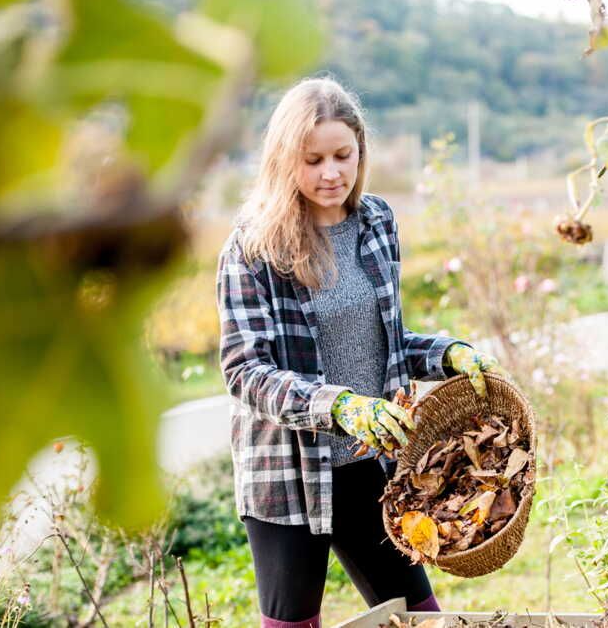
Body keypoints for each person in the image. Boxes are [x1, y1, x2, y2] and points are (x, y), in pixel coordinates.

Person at [215, 76, 506, 628]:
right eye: (313, 159)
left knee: (420, 618)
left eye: (343, 155)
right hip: (289, 475)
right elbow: (245, 373)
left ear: (360, 152)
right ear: (284, 160)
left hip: (371, 467)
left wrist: (449, 354)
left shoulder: (376, 223)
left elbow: (385, 340)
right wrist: (342, 406)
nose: (331, 173)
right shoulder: (254, 246)